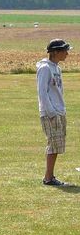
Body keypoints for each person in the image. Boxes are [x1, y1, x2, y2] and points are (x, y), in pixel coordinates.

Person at [36, 38, 72, 186]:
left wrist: (61, 110)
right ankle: (48, 178)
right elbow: (42, 92)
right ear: (56, 52)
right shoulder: (45, 68)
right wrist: (51, 112)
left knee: (57, 145)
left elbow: (58, 91)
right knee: (53, 144)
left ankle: (50, 176)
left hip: (59, 111)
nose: (67, 54)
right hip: (51, 113)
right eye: (64, 50)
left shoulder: (57, 68)